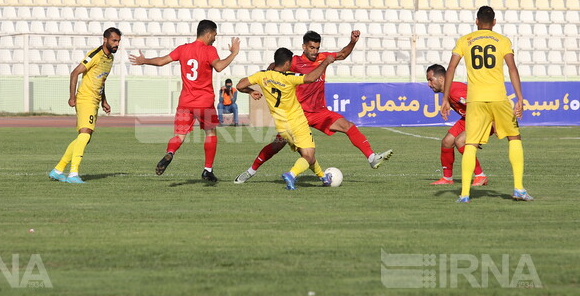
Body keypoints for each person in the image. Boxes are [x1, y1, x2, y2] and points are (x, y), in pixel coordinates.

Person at [234, 30, 392, 184]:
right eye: (311, 48)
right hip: (299, 113)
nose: (315, 51)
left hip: (319, 112)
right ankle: (251, 171)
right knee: (278, 146)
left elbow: (342, 54)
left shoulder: (322, 57)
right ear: (304, 46)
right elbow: (275, 67)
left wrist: (352, 42)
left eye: (317, 48)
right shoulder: (294, 61)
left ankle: (372, 157)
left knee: (347, 126)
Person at [441, 6, 532, 202]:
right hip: (499, 97)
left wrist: (445, 98)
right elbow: (512, 69)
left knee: (470, 143)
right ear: (494, 22)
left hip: (475, 99)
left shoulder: (465, 40)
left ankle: (464, 194)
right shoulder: (502, 41)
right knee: (514, 138)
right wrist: (519, 97)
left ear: (476, 21)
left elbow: (450, 68)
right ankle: (518, 189)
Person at [131, 20, 239, 183]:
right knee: (210, 132)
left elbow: (161, 61)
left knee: (179, 135)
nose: (215, 39)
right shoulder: (209, 50)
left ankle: (170, 152)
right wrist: (234, 53)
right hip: (204, 102)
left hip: (185, 103)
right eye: (214, 35)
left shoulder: (183, 49)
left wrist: (144, 60)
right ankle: (207, 170)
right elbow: (219, 66)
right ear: (208, 34)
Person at [235, 48, 337, 190]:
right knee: (308, 155)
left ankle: (323, 177)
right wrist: (325, 62)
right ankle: (292, 174)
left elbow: (239, 85)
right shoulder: (289, 77)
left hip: (282, 126)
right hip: (297, 123)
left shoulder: (262, 75)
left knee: (296, 151)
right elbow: (311, 78)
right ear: (287, 63)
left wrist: (251, 91)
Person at [49, 28, 122, 184]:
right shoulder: (94, 55)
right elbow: (75, 73)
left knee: (84, 138)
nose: (117, 44)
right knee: (85, 134)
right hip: (85, 99)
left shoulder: (110, 59)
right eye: (114, 40)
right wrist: (71, 97)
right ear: (105, 40)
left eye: (118, 41)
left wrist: (104, 100)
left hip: (95, 100)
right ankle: (73, 174)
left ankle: (58, 170)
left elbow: (100, 80)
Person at [425, 63, 488, 186]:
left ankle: (480, 176)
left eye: (430, 80)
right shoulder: (449, 92)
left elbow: (479, 106)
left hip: (482, 118)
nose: (429, 84)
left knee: (460, 141)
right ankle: (447, 178)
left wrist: (480, 133)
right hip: (469, 118)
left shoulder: (455, 91)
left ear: (441, 79)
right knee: (447, 142)